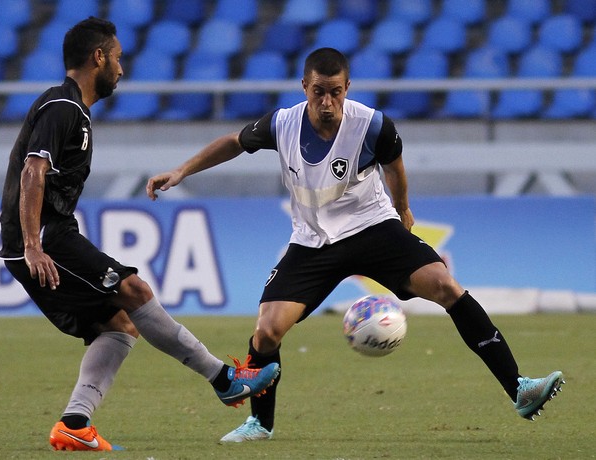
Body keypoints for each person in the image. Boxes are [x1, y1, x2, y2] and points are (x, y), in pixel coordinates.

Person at [146, 47, 565, 443]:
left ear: (347, 89)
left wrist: (403, 210)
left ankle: (519, 388)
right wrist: (183, 170)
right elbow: (235, 142)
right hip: (312, 242)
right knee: (267, 331)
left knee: (446, 287)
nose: (327, 101)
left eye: (335, 92)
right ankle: (259, 422)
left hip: (372, 228)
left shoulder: (373, 125)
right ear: (304, 88)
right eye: (318, 92)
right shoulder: (282, 123)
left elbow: (394, 165)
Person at [0, 17, 279, 452]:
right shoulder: (63, 107)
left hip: (45, 235)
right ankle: (223, 379)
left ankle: (75, 422)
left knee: (119, 324)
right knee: (134, 289)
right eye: (118, 58)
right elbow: (34, 171)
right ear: (99, 58)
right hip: (44, 239)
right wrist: (33, 245)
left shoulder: (71, 109)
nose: (121, 69)